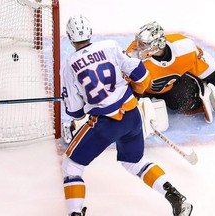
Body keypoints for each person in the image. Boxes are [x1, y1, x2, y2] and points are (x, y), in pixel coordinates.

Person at [60, 14, 193, 216]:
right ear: (90, 32)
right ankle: (174, 196)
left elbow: (76, 112)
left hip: (104, 125)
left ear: (70, 37)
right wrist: (136, 93)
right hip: (131, 116)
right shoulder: (111, 46)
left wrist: (81, 98)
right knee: (134, 162)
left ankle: (75, 213)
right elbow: (142, 76)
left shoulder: (69, 65)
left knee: (71, 167)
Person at [126, 21, 215, 123]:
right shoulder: (132, 58)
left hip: (171, 85)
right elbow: (123, 83)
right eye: (139, 42)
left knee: (181, 102)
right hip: (143, 90)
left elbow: (205, 64)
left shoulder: (183, 47)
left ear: (159, 44)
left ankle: (198, 89)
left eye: (145, 44)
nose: (139, 47)